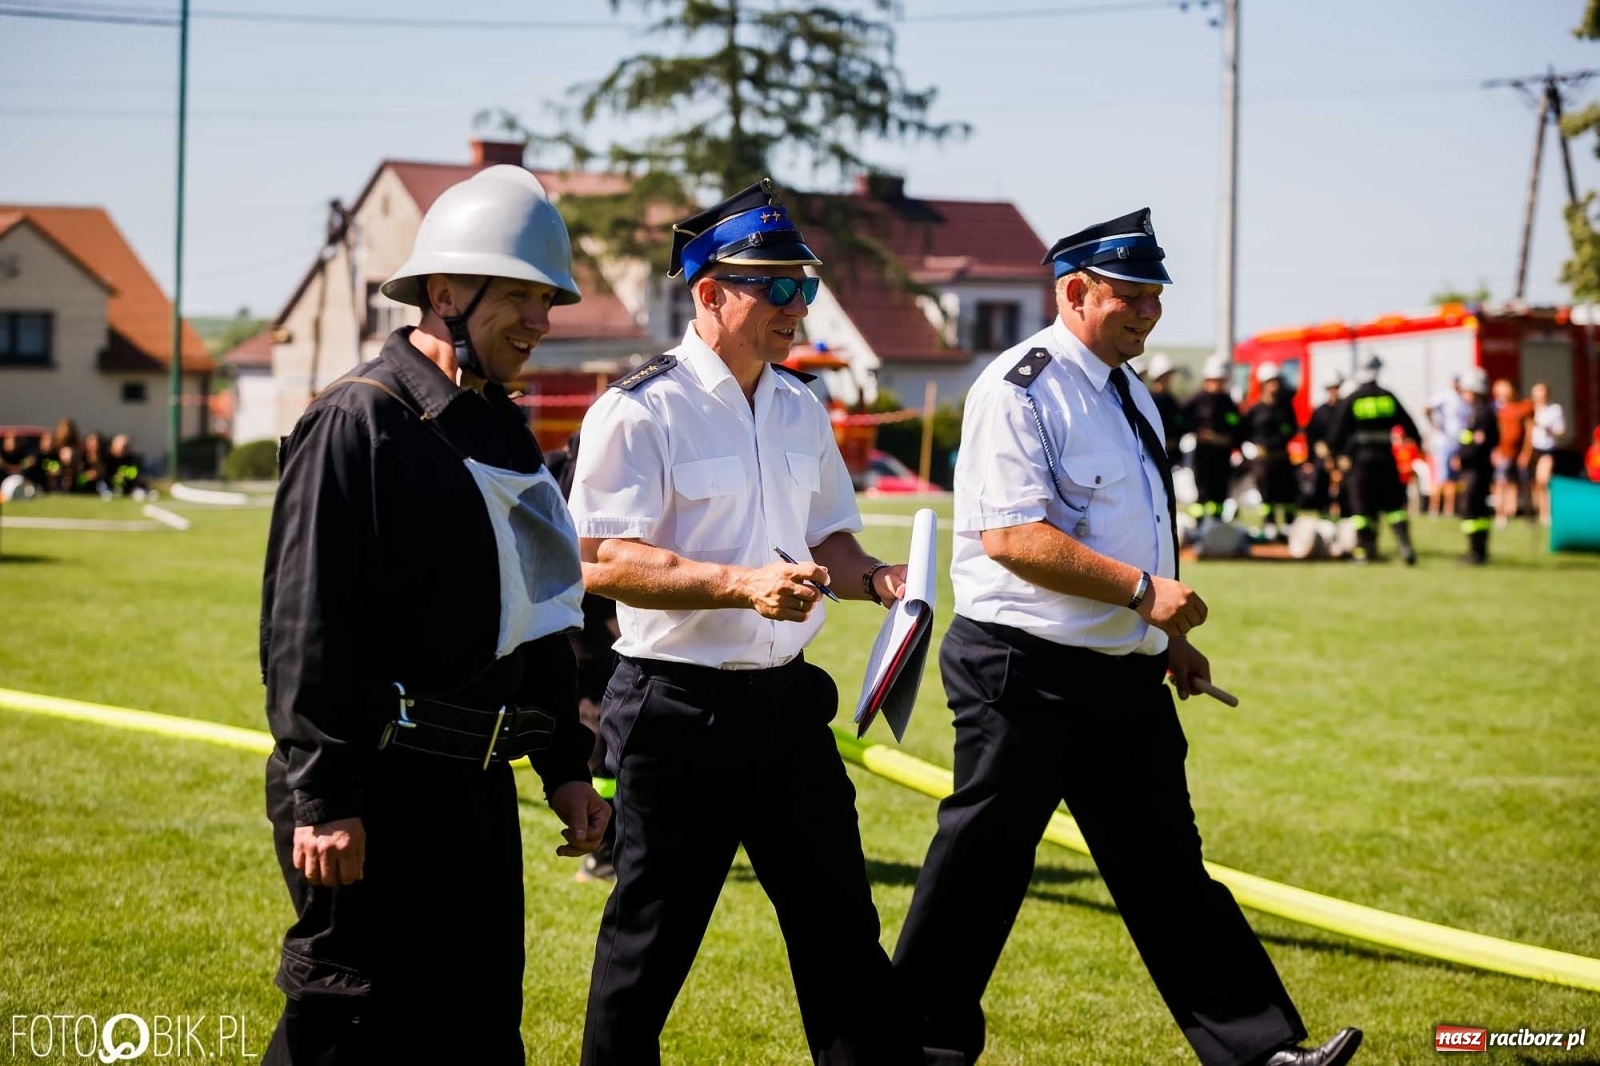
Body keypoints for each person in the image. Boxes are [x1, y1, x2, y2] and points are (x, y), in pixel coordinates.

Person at [893, 208, 1362, 1066]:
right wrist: (1147, 595)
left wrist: (1164, 640)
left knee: (1170, 874)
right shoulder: (1019, 386)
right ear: (1074, 291)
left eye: (1155, 297)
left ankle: (1262, 1055)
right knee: (978, 875)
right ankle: (912, 1052)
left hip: (1121, 675)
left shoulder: (1129, 386)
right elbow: (1013, 537)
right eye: (1132, 296)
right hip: (1020, 670)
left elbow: (1136, 520)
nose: (1148, 313)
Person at [259, 164, 610, 1065]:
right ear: (446, 292)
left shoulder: (501, 429)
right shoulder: (358, 422)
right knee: (347, 1030)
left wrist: (565, 764)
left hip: (477, 798)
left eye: (550, 300)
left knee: (479, 1032)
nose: (542, 320)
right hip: (375, 792)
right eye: (524, 297)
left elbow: (538, 616)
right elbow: (307, 630)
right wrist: (326, 798)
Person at [568, 178, 923, 1066]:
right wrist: (742, 587)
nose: (797, 307)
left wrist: (875, 579)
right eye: (778, 287)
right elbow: (602, 560)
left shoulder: (803, 405)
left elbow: (828, 538)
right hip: (675, 710)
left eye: (803, 286)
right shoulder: (638, 407)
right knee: (649, 945)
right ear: (710, 293)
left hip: (788, 708)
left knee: (842, 928)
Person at [544, 428, 621, 884]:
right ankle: (605, 849)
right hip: (589, 624)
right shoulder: (586, 471)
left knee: (600, 733)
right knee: (598, 735)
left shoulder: (553, 467)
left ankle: (610, 846)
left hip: (574, 621)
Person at [1329, 354, 1421, 565]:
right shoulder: (1388, 397)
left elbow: (1336, 434)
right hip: (1386, 459)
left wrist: (1338, 457)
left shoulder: (1352, 399)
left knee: (1362, 509)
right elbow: (1410, 426)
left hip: (1360, 462)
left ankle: (1365, 552)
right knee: (1394, 506)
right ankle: (1405, 545)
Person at [1184, 353, 1242, 523]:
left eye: (1222, 380)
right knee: (1202, 490)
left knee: (1220, 490)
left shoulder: (1227, 402)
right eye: (1216, 380)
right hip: (1203, 454)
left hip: (1222, 454)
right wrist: (1199, 432)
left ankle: (1217, 522)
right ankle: (1199, 524)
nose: (1219, 384)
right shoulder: (1196, 401)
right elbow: (1183, 421)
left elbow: (1236, 425)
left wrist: (1228, 438)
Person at [1243, 361, 1299, 538]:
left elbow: (1292, 429)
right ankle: (1269, 524)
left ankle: (1289, 526)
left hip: (1282, 457)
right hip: (1263, 461)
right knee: (1267, 494)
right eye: (1271, 382)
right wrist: (1252, 449)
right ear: (1263, 384)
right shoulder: (1255, 410)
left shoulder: (1285, 408)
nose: (1275, 386)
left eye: (1277, 381)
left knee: (1287, 493)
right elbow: (1243, 433)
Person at [1453, 368, 1499, 564]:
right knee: (1474, 508)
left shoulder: (1484, 414)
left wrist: (1463, 457)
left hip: (1478, 469)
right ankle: (1476, 551)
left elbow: (1480, 443)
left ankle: (1477, 552)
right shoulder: (1477, 412)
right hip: (1473, 468)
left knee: (1471, 507)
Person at [1300, 369, 1345, 517]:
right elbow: (1311, 436)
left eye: (1336, 388)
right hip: (1323, 459)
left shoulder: (1345, 409)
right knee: (1321, 487)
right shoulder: (1320, 412)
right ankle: (1324, 513)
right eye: (1331, 389)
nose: (1334, 392)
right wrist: (1314, 456)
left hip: (1343, 457)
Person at [1524, 381, 1567, 525]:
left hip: (1548, 450)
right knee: (1535, 483)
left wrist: (1547, 428)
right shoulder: (1530, 409)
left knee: (1543, 480)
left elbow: (1561, 433)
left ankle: (1547, 513)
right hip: (1533, 450)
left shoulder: (1554, 410)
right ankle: (1540, 511)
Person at [1425, 376, 1469, 517]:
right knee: (1441, 478)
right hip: (1444, 442)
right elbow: (1427, 408)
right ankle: (1435, 509)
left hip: (1459, 442)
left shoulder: (1463, 399)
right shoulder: (1443, 396)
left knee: (1454, 479)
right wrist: (1435, 425)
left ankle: (1450, 510)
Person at [1490, 379, 1531, 527]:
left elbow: (1529, 432)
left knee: (1521, 484)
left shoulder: (1524, 407)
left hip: (1518, 453)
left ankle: (1524, 514)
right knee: (1501, 482)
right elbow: (1496, 432)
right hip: (1504, 453)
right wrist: (1495, 450)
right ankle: (1500, 514)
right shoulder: (1499, 409)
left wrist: (1526, 452)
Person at [1142, 350, 1185, 462]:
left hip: (1172, 456)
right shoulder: (1149, 400)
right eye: (1167, 376)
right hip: (1155, 455)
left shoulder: (1171, 400)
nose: (1170, 379)